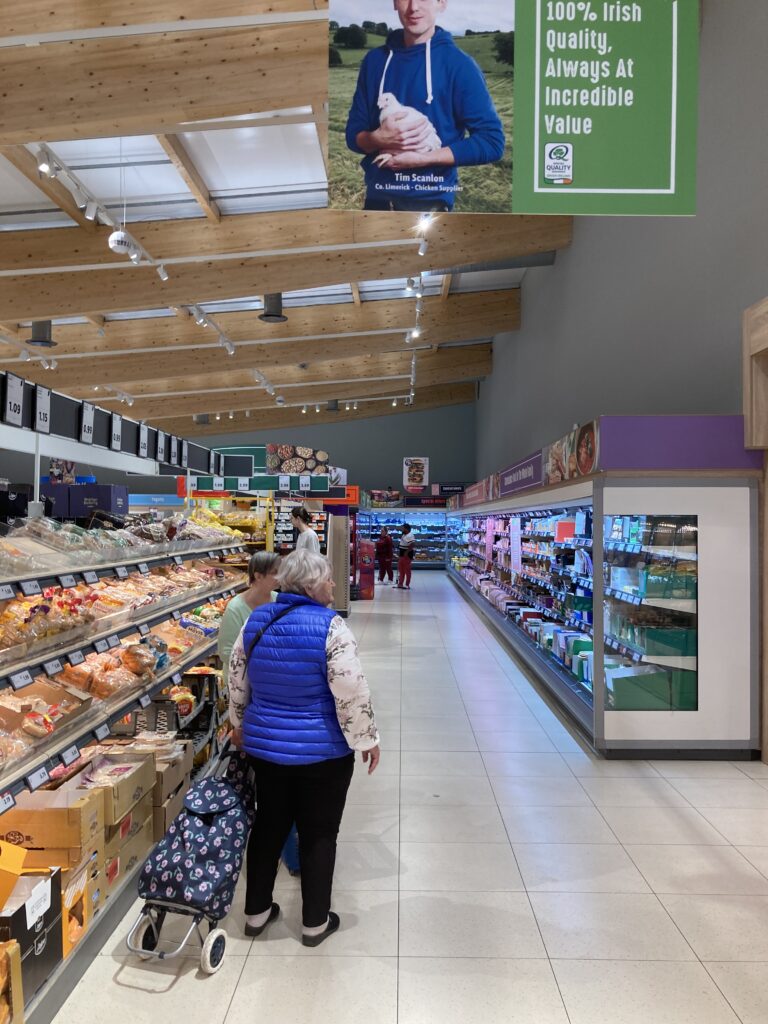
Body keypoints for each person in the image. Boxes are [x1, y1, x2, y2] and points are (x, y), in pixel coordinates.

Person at [228, 550, 380, 947]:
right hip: (323, 754)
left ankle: (256, 912)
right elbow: (351, 690)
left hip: (267, 751)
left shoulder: (256, 621)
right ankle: (314, 922)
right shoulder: (332, 627)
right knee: (318, 833)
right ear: (312, 585)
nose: (333, 584)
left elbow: (236, 681)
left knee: (268, 826)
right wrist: (366, 738)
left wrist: (239, 725)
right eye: (328, 578)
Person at [344, 0, 505, 212]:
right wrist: (377, 139)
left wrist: (423, 159)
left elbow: (492, 142)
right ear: (394, 3)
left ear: (441, 3)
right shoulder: (374, 61)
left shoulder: (460, 65)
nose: (413, 7)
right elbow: (353, 136)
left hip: (430, 207)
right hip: (377, 202)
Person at [217, 551, 281, 688]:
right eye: (275, 572)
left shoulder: (278, 601)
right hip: (240, 682)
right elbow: (226, 652)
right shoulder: (235, 608)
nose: (280, 576)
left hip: (271, 679)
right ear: (258, 576)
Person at [396, 523, 416, 589]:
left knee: (407, 570)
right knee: (401, 570)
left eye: (403, 528)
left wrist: (407, 552)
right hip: (402, 555)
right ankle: (400, 583)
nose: (402, 529)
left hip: (406, 556)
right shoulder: (404, 534)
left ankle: (407, 584)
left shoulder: (410, 535)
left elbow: (412, 545)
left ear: (406, 529)